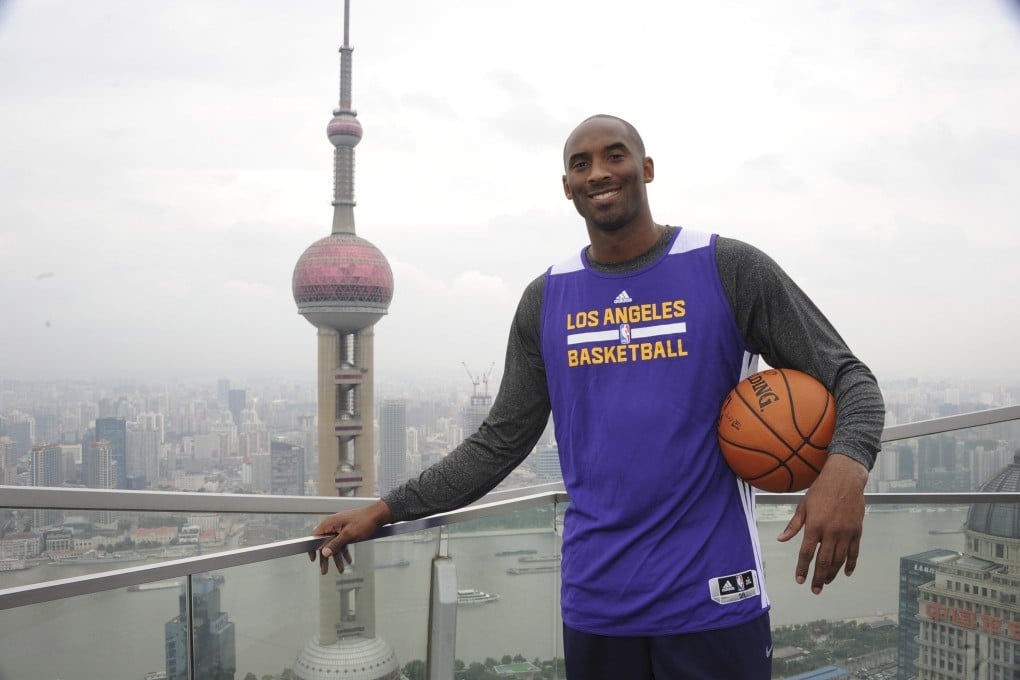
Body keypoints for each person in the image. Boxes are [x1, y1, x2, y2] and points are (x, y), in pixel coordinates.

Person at [310, 114, 885, 679]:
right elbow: (500, 441)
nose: (598, 172)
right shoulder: (548, 298)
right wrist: (387, 509)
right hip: (598, 601)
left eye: (615, 155)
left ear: (647, 168)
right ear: (567, 187)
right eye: (580, 164)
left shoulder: (726, 267)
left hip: (713, 592)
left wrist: (844, 469)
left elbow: (852, 381)